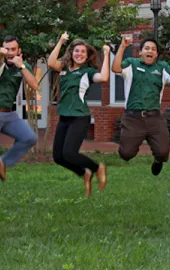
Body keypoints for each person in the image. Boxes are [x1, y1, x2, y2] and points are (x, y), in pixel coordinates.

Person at [46, 32, 110, 197]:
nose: (79, 54)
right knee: (58, 157)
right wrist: (60, 41)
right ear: (71, 53)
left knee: (69, 153)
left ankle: (97, 168)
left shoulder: (87, 72)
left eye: (83, 52)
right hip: (64, 117)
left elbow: (103, 77)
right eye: (76, 51)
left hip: (79, 117)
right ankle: (84, 173)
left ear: (87, 55)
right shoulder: (64, 68)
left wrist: (107, 55)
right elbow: (51, 62)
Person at [111, 36, 170, 176]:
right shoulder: (131, 64)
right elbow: (116, 68)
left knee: (163, 153)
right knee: (126, 154)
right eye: (146, 48)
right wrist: (122, 47)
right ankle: (132, 142)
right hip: (133, 118)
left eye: (153, 49)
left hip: (154, 118)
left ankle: (158, 161)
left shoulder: (161, 67)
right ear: (140, 52)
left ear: (156, 54)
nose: (150, 51)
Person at [0, 36, 39, 198]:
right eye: (7, 49)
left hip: (8, 114)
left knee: (29, 138)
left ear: (19, 51)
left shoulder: (22, 67)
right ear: (1, 50)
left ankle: (3, 162)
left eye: (13, 49)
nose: (10, 53)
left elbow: (34, 85)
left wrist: (22, 67)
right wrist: (0, 54)